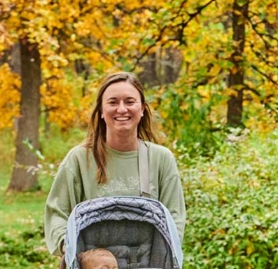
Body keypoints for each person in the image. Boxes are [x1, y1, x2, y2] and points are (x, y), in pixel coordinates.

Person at [44, 71, 186, 259]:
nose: (121, 109)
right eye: (113, 102)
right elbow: (57, 213)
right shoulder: (79, 159)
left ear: (142, 109)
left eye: (129, 102)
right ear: (101, 111)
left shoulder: (160, 159)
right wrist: (71, 250)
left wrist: (164, 258)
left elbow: (174, 218)